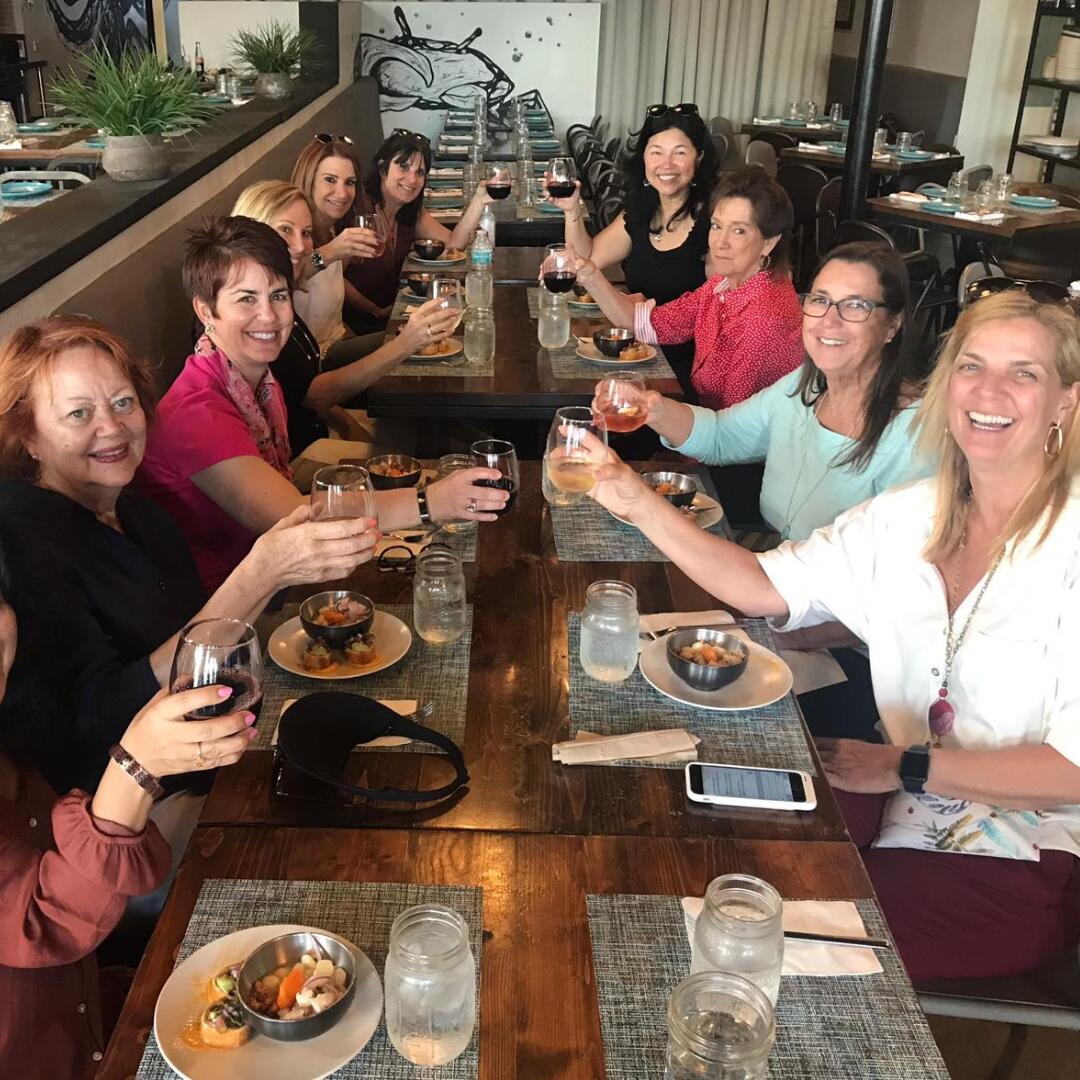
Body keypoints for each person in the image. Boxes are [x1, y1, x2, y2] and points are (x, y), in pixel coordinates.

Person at [587, 290, 1080, 980]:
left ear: (1065, 400)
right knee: (713, 853)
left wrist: (906, 765)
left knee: (748, 943)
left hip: (1030, 849)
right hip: (894, 787)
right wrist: (632, 499)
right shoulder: (911, 515)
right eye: (972, 366)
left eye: (1023, 373)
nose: (989, 391)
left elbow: (1072, 770)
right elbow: (763, 585)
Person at [0, 315, 377, 794]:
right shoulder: (19, 538)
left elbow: (206, 640)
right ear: (27, 436)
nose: (111, 428)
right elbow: (99, 725)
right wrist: (261, 574)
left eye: (123, 403)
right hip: (136, 804)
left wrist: (280, 570)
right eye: (78, 414)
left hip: (226, 739)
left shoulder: (141, 514)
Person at [0, 522, 254, 1078]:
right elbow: (46, 922)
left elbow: (122, 881)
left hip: (102, 1024)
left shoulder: (15, 739)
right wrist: (136, 768)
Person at [138, 216, 508, 593]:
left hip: (280, 565)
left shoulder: (257, 380)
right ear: (205, 311)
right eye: (246, 298)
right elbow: (297, 517)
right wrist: (430, 501)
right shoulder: (196, 413)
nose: (268, 315)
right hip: (234, 604)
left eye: (278, 296)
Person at [618, 242, 928, 543]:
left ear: (893, 325)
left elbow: (895, 570)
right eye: (820, 300)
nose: (829, 320)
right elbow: (721, 435)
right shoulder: (804, 387)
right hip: (772, 557)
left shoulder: (914, 436)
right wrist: (653, 408)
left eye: (856, 305)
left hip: (822, 590)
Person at [230, 179, 456, 456]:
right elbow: (313, 395)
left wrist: (347, 424)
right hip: (297, 453)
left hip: (318, 425)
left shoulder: (279, 289)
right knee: (422, 445)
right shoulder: (257, 312)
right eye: (285, 230)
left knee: (425, 423)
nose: (300, 246)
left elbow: (298, 389)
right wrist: (403, 344)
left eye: (306, 233)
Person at [574, 167, 804, 411]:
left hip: (732, 440)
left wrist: (655, 412)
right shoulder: (722, 286)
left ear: (769, 241)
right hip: (704, 421)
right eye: (716, 226)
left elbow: (734, 432)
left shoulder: (763, 319)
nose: (720, 242)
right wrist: (590, 276)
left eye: (739, 231)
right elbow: (652, 324)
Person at [551, 103, 718, 392]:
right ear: (643, 158)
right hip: (639, 357)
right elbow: (586, 258)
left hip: (687, 374)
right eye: (656, 152)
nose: (666, 165)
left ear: (699, 158)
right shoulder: (641, 212)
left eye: (680, 152)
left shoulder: (714, 224)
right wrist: (571, 209)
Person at [344, 129, 494, 334]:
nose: (412, 179)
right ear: (382, 168)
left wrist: (479, 200)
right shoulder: (359, 209)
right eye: (403, 167)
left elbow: (453, 243)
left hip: (392, 313)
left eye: (420, 172)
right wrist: (373, 310)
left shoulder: (409, 212)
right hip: (358, 323)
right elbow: (335, 279)